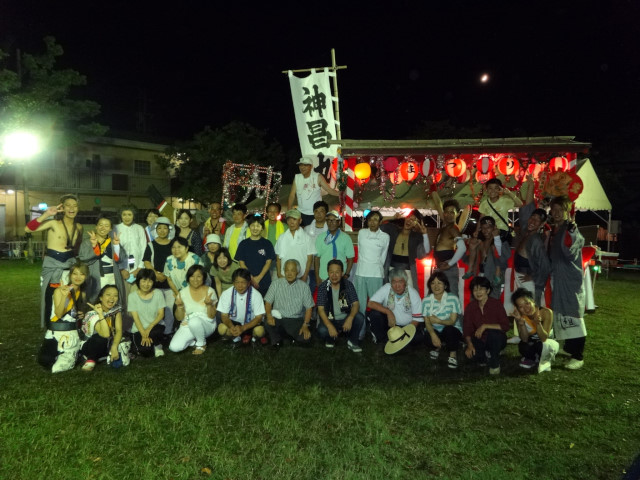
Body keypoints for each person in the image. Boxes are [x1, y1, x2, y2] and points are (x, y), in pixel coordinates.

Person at [25, 194, 84, 328]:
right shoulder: (53, 223)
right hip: (53, 266)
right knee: (50, 297)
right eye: (68, 205)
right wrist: (47, 214)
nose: (71, 208)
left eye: (75, 206)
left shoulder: (79, 227)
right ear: (62, 208)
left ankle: (70, 326)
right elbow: (28, 229)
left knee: (70, 296)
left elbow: (77, 249)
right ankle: (50, 328)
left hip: (70, 265)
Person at [548, 195, 587, 370]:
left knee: (573, 313)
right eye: (554, 209)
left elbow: (571, 251)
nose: (556, 213)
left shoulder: (570, 229)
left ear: (567, 212)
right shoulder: (554, 230)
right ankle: (569, 347)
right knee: (562, 311)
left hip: (569, 278)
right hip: (558, 277)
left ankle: (578, 355)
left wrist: (571, 232)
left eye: (560, 210)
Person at [38, 262, 89, 373]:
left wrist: (81, 314)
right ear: (70, 275)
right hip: (56, 331)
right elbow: (59, 314)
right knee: (44, 360)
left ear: (86, 276)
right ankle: (71, 354)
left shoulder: (82, 293)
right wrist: (65, 297)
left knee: (56, 366)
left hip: (71, 332)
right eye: (75, 273)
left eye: (82, 274)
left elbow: (76, 312)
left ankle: (74, 352)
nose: (78, 277)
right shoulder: (60, 290)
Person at [78, 215, 129, 322]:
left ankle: (113, 328)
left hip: (112, 278)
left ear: (110, 228)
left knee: (113, 305)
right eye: (100, 225)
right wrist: (94, 246)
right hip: (95, 278)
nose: (103, 228)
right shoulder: (87, 242)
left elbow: (120, 259)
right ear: (96, 226)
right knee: (94, 304)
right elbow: (84, 258)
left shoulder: (113, 241)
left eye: (106, 226)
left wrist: (116, 246)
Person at [354, 210, 390, 340]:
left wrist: (376, 267)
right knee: (360, 305)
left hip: (376, 274)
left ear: (380, 222)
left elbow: (383, 257)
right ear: (367, 221)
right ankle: (360, 332)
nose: (372, 222)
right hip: (361, 273)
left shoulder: (385, 237)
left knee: (376, 305)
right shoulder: (362, 233)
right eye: (370, 219)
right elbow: (360, 251)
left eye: (375, 219)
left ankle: (376, 332)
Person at [463, 277, 510, 375]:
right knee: (472, 356)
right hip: (480, 339)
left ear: (488, 291)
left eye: (481, 289)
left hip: (497, 338)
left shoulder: (496, 304)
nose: (478, 292)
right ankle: (486, 355)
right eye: (475, 290)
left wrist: (485, 326)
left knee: (494, 334)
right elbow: (467, 330)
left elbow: (505, 326)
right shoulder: (470, 307)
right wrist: (469, 345)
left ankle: (495, 362)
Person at [264, 259, 315, 348]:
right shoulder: (276, 284)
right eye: (287, 270)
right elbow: (268, 302)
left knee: (306, 338)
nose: (289, 273)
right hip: (279, 318)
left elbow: (309, 308)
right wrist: (269, 315)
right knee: (268, 323)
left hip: (295, 320)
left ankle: (285, 335)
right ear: (284, 271)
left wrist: (305, 325)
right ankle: (278, 341)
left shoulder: (304, 286)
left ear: (297, 272)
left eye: (292, 270)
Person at [367, 268, 424, 346]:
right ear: (390, 283)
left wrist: (404, 333)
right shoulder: (387, 288)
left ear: (405, 282)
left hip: (408, 326)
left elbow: (416, 320)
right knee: (375, 314)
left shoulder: (413, 293)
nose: (397, 286)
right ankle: (382, 340)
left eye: (400, 282)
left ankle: (396, 341)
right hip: (391, 325)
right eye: (394, 282)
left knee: (418, 338)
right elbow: (371, 303)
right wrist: (388, 312)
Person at [316, 259, 364, 352]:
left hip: (345, 318)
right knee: (322, 330)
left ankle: (352, 342)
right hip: (330, 318)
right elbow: (320, 310)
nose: (334, 275)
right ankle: (331, 339)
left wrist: (350, 318)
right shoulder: (323, 287)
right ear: (328, 273)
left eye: (337, 272)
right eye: (331, 272)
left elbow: (356, 304)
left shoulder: (348, 284)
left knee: (359, 317)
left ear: (342, 273)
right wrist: (329, 326)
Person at [169, 265, 218, 355]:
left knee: (194, 321)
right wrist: (180, 306)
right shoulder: (182, 293)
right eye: (192, 276)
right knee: (174, 347)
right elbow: (179, 318)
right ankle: (194, 340)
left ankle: (201, 344)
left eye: (199, 276)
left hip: (207, 324)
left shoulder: (210, 291)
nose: (195, 279)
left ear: (203, 277)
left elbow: (211, 316)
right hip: (187, 323)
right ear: (188, 278)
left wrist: (209, 305)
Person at [511, 287, 559, 373]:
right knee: (523, 346)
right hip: (533, 342)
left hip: (547, 343)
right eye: (521, 307)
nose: (526, 308)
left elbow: (544, 338)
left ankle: (542, 358)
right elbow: (524, 339)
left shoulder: (546, 312)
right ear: (517, 308)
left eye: (527, 303)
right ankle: (531, 358)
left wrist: (538, 324)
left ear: (533, 301)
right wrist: (521, 324)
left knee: (541, 345)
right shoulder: (520, 316)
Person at [380, 209, 431, 289]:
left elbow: (426, 252)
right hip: (391, 268)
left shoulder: (417, 237)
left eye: (413, 220)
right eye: (409, 217)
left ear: (416, 224)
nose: (409, 221)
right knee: (390, 293)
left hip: (408, 270)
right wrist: (392, 217)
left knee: (410, 294)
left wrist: (424, 234)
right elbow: (377, 224)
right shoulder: (393, 230)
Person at [80, 285, 126, 371]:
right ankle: (91, 359)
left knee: (122, 339)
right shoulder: (92, 313)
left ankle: (107, 355)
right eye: (108, 295)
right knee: (99, 339)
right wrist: (100, 314)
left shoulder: (116, 310)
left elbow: (119, 330)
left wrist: (114, 346)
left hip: (108, 344)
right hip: (91, 345)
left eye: (115, 295)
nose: (112, 298)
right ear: (101, 297)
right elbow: (105, 334)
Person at [422, 271, 463, 369]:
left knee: (449, 330)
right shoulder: (426, 300)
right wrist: (433, 335)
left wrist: (438, 321)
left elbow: (452, 321)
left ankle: (453, 353)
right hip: (434, 329)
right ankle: (437, 347)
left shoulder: (453, 299)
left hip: (451, 327)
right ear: (430, 286)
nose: (436, 286)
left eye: (439, 283)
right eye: (433, 283)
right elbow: (427, 322)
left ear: (445, 286)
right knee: (428, 337)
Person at [430, 192, 468, 298]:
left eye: (452, 212)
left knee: (451, 297)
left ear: (457, 214)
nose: (449, 214)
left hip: (448, 268)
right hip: (441, 267)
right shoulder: (446, 227)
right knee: (441, 298)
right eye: (446, 212)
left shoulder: (452, 228)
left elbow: (462, 248)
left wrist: (449, 264)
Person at [142, 217, 176, 336]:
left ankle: (168, 332)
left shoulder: (173, 245)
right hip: (155, 283)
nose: (162, 230)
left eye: (165, 228)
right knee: (156, 309)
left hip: (170, 283)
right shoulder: (151, 245)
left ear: (169, 230)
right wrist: (156, 274)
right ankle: (156, 333)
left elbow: (176, 261)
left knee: (170, 309)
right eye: (159, 228)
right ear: (156, 230)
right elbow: (147, 262)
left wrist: (166, 275)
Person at [216, 268, 267, 346]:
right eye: (237, 282)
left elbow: (259, 318)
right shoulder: (226, 293)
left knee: (259, 331)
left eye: (243, 282)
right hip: (233, 323)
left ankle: (252, 337)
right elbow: (224, 316)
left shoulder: (256, 295)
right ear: (233, 283)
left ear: (248, 283)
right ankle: (236, 337)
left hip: (250, 324)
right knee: (221, 329)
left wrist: (243, 328)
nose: (240, 286)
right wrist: (232, 328)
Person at [464, 216, 510, 297]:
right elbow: (468, 260)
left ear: (494, 227)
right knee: (477, 302)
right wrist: (468, 246)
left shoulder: (501, 242)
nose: (485, 230)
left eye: (488, 227)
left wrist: (497, 238)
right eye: (483, 228)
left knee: (492, 302)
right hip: (479, 278)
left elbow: (504, 259)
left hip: (493, 280)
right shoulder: (480, 243)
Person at [287, 156, 340, 226]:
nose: (302, 167)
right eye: (301, 165)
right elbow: (292, 195)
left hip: (315, 214)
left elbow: (329, 190)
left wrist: (342, 194)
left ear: (311, 166)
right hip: (300, 213)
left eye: (305, 165)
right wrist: (289, 210)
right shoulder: (297, 177)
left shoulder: (318, 177)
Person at [128, 269, 166, 358]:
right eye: (144, 281)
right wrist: (144, 334)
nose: (146, 284)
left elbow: (161, 314)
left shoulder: (158, 293)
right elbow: (136, 318)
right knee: (144, 351)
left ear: (153, 282)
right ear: (138, 281)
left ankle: (158, 346)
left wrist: (149, 328)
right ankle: (153, 343)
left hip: (155, 326)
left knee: (155, 333)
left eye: (150, 281)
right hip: (139, 328)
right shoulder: (132, 296)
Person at [235, 215, 276, 296]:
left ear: (262, 228)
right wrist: (251, 278)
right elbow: (242, 263)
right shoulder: (243, 244)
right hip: (247, 281)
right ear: (249, 227)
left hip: (264, 282)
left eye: (258, 226)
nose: (255, 228)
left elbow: (268, 263)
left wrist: (258, 278)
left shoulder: (267, 243)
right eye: (253, 225)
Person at [314, 210, 355, 286]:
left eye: (333, 220)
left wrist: (346, 274)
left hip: (340, 277)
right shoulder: (320, 238)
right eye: (328, 220)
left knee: (341, 294)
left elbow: (350, 258)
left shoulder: (346, 238)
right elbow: (317, 258)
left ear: (339, 222)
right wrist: (317, 277)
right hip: (324, 276)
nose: (331, 222)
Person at [274, 209, 315, 281]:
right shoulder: (282, 237)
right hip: (284, 276)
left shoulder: (307, 238)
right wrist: (279, 274)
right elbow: (278, 258)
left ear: (300, 221)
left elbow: (310, 259)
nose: (291, 222)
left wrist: (305, 276)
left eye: (294, 219)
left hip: (301, 276)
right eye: (289, 219)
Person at [478, 177, 523, 243]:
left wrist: (509, 193)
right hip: (488, 232)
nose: (493, 191)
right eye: (490, 188)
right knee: (474, 243)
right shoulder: (484, 204)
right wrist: (476, 231)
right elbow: (481, 219)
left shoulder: (505, 201)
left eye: (496, 188)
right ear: (486, 190)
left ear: (499, 189)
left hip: (502, 231)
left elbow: (520, 204)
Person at [116, 204, 147, 293]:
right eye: (124, 215)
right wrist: (122, 269)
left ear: (134, 216)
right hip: (121, 270)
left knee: (136, 295)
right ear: (121, 216)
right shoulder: (116, 228)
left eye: (129, 214)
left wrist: (139, 268)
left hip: (138, 269)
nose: (127, 217)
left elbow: (143, 248)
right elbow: (115, 251)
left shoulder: (139, 228)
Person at [164, 237, 202, 303]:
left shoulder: (195, 260)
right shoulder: (169, 260)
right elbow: (169, 279)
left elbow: (201, 279)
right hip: (178, 294)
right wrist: (178, 294)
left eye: (179, 247)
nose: (176, 250)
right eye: (173, 247)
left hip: (196, 294)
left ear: (186, 248)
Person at [304, 200, 329, 292]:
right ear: (313, 213)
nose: (319, 214)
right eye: (316, 211)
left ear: (326, 213)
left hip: (325, 267)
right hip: (310, 267)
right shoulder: (307, 230)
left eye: (322, 211)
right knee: (309, 293)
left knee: (325, 294)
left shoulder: (330, 230)